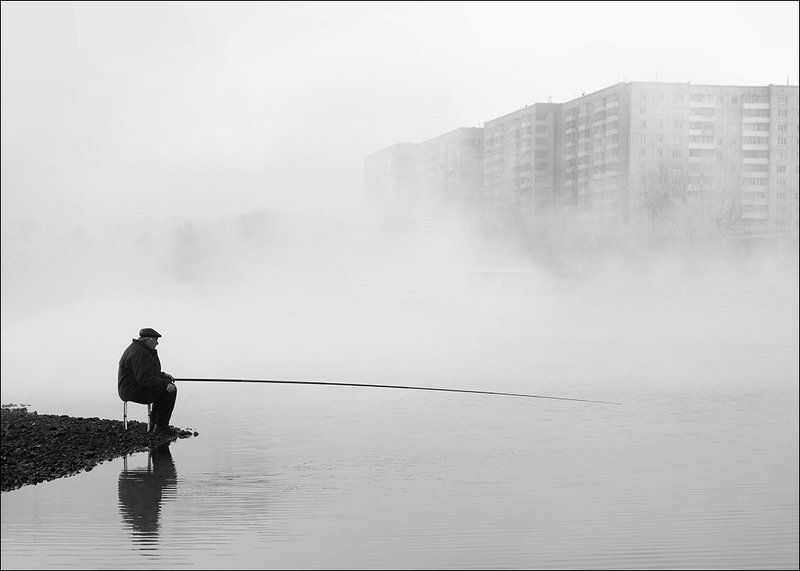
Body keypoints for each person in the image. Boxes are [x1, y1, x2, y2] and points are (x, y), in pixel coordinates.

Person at [118, 327, 177, 435]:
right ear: (148, 339)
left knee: (166, 386)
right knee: (169, 391)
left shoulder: (140, 349)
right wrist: (164, 384)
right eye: (155, 340)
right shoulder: (139, 353)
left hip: (135, 386)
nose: (157, 343)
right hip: (132, 390)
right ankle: (160, 427)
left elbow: (147, 372)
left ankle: (155, 425)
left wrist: (163, 375)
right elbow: (144, 378)